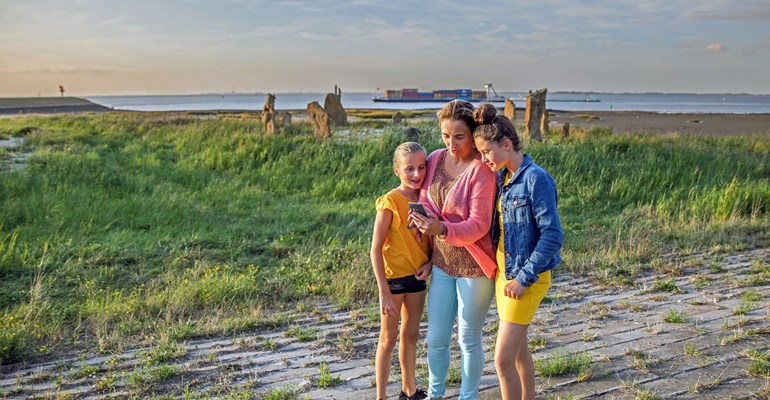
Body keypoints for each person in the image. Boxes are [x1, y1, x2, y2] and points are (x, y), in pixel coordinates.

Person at [472, 103, 563, 400]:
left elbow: (552, 236)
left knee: (502, 360)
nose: (483, 159)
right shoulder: (504, 177)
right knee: (519, 352)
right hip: (505, 274)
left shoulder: (537, 179)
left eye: (486, 152)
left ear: (507, 144)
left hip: (526, 278)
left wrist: (523, 278)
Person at [408, 100, 498, 400]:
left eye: (458, 136)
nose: (451, 143)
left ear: (473, 133)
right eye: (446, 136)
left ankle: (468, 397)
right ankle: (435, 395)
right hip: (442, 263)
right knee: (436, 339)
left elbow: (479, 224)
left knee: (468, 338)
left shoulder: (483, 169)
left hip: (474, 266)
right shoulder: (434, 159)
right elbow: (424, 202)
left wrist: (443, 229)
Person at [370, 142, 433, 400]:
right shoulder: (390, 202)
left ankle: (409, 390)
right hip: (393, 281)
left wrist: (429, 264)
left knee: (411, 335)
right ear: (397, 171)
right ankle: (381, 396)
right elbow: (375, 249)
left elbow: (433, 240)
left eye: (421, 167)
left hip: (417, 278)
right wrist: (383, 291)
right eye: (409, 169)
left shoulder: (428, 199)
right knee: (388, 338)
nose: (416, 174)